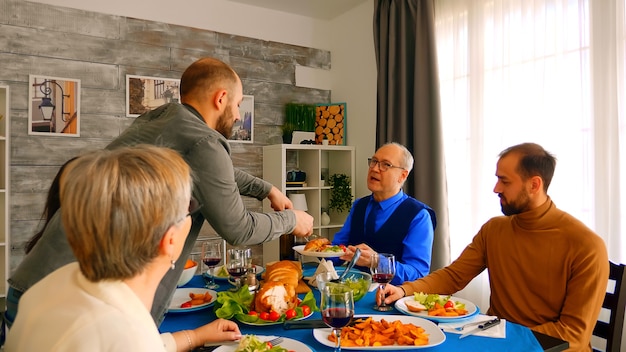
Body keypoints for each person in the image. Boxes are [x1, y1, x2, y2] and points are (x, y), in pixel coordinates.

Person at [8, 57, 314, 326]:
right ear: (221, 99)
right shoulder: (204, 141)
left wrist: (267, 189)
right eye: (237, 105)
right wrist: (292, 220)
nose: (237, 115)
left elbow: (216, 171)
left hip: (37, 286)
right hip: (75, 308)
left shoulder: (164, 119)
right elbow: (239, 229)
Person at [5, 145, 242, 351]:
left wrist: (193, 337)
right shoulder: (125, 333)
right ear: (170, 240)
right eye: (188, 207)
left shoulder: (55, 284)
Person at [378, 143, 608, 351]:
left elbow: (574, 335)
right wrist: (404, 291)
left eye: (505, 181)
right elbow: (455, 275)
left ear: (534, 184)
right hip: (495, 337)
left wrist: (507, 336)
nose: (496, 188)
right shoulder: (495, 229)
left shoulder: (586, 246)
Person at [331, 142, 436, 284]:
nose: (374, 168)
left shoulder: (419, 216)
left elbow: (417, 273)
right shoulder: (359, 206)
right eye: (374, 161)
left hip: (392, 299)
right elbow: (338, 251)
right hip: (353, 290)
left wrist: (377, 262)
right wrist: (317, 249)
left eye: (386, 165)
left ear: (402, 176)